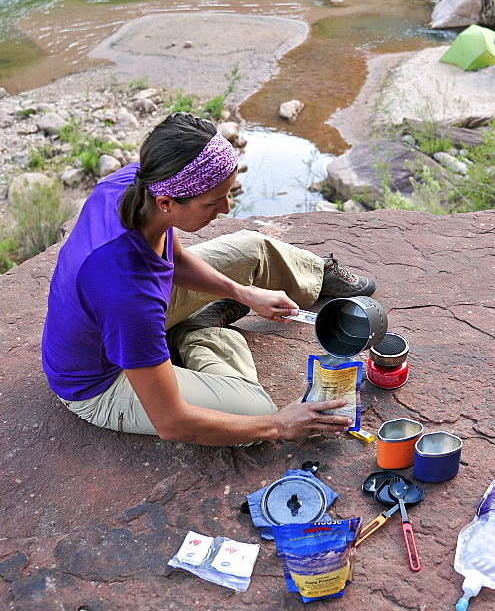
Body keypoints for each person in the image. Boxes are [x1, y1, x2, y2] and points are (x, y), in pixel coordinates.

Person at [41, 112, 377, 446]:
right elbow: (172, 423)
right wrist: (279, 426)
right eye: (213, 202)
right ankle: (195, 333)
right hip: (104, 379)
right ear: (167, 203)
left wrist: (244, 294)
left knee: (250, 247)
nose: (226, 209)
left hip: (124, 317)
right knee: (255, 408)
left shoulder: (140, 182)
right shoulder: (127, 293)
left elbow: (176, 260)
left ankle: (314, 275)